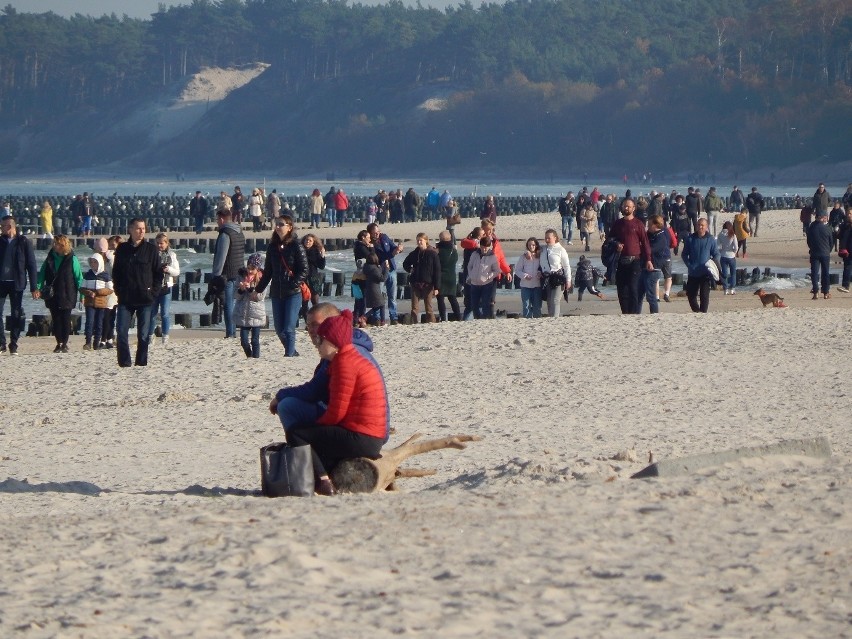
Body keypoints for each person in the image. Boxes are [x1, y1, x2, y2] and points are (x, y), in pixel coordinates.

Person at [286, 310, 388, 496]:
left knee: (297, 434)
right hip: (368, 433)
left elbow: (337, 411)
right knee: (313, 436)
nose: (316, 345)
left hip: (364, 437)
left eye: (320, 340)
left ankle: (323, 482)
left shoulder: (345, 364)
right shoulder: (347, 358)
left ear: (333, 342)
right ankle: (323, 475)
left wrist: (315, 427)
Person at [269, 303, 390, 443]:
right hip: (365, 424)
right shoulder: (345, 348)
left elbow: (315, 392)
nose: (311, 330)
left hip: (362, 428)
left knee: (288, 406)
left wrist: (280, 396)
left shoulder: (345, 355)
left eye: (315, 324)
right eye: (308, 325)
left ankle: (303, 456)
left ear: (333, 323)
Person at [254, 215, 308, 356]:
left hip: (293, 293)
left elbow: (304, 269)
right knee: (279, 329)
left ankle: (288, 355)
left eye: (281, 224)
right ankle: (293, 352)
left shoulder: (296, 245)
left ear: (289, 227)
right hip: (277, 293)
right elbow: (268, 273)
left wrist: (293, 283)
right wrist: (257, 290)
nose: (277, 227)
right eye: (276, 224)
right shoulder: (272, 247)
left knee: (289, 328)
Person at [112, 219, 161, 366]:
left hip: (145, 298)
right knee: (121, 332)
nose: (141, 231)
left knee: (144, 335)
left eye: (143, 229)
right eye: (138, 228)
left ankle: (141, 362)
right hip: (125, 298)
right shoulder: (122, 249)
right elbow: (116, 272)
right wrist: (118, 289)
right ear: (131, 230)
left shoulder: (151, 249)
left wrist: (153, 292)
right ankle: (125, 363)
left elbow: (158, 273)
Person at [0, 215, 39, 355]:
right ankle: (1, 343)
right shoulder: (1, 241)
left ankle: (14, 343)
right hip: (1, 283)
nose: (1, 228)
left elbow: (31, 265)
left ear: (10, 227)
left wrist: (34, 287)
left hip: (17, 283)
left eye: (2, 226)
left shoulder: (23, 242)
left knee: (16, 313)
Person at [38, 235, 83, 353]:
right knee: (56, 319)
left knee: (65, 318)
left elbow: (79, 278)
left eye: (56, 243)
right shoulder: (50, 257)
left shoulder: (72, 259)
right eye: (54, 243)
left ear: (63, 245)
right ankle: (59, 343)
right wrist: (38, 288)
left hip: (68, 293)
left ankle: (65, 343)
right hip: (53, 294)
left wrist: (82, 295)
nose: (54, 245)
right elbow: (42, 274)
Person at [608, 198, 653, 314]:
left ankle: (634, 314)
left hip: (635, 261)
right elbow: (609, 240)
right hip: (620, 261)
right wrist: (616, 244)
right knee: (622, 290)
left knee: (633, 288)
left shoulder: (638, 224)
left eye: (628, 206)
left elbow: (645, 242)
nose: (626, 208)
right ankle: (625, 313)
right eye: (624, 206)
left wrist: (648, 259)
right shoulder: (618, 223)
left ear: (634, 208)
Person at [210, 208, 246, 339]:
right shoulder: (239, 232)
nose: (217, 223)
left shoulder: (225, 234)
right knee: (232, 303)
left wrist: (216, 275)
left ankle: (230, 333)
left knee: (228, 304)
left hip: (227, 273)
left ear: (221, 219)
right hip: (239, 271)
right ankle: (232, 332)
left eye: (217, 220)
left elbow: (221, 256)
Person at [148, 232, 180, 346]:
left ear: (167, 243)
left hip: (166, 287)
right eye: (157, 243)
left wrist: (168, 269)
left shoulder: (172, 255)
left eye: (161, 243)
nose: (159, 245)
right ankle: (150, 336)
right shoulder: (152, 254)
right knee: (152, 313)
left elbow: (177, 271)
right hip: (154, 287)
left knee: (165, 314)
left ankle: (165, 336)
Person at [681, 218, 720, 313]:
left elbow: (716, 254)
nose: (700, 227)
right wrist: (689, 265)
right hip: (693, 272)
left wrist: (713, 263)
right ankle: (697, 312)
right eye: (699, 225)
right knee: (691, 295)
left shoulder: (710, 239)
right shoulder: (690, 239)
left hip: (706, 272)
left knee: (704, 295)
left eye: (702, 225)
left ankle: (703, 313)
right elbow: (684, 254)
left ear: (706, 227)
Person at [367, 223, 403, 324]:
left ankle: (393, 317)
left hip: (391, 269)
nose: (377, 234)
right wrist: (392, 253)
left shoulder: (384, 237)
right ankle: (377, 318)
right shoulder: (370, 245)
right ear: (370, 234)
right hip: (379, 271)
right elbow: (378, 257)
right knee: (378, 296)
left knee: (392, 296)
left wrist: (398, 249)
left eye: (378, 232)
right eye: (375, 233)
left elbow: (392, 247)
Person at [403, 232, 441, 324]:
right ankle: (414, 324)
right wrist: (410, 269)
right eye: (418, 240)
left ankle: (432, 324)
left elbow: (437, 271)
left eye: (421, 240)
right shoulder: (414, 253)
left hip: (428, 284)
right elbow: (405, 264)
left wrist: (437, 287)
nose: (419, 242)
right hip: (415, 283)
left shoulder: (433, 254)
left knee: (429, 308)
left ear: (426, 241)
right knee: (414, 308)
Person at [234, 252, 267, 358]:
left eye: (252, 268)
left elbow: (259, 297)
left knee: (255, 340)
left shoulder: (262, 279)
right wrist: (241, 290)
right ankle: (250, 356)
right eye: (248, 268)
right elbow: (236, 296)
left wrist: (250, 289)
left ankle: (256, 358)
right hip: (244, 314)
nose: (249, 271)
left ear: (258, 269)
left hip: (256, 313)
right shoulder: (241, 277)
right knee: (243, 341)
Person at [80, 253, 113, 350]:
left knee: (99, 323)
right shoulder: (88, 274)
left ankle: (96, 342)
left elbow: (110, 289)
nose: (93, 264)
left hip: (101, 303)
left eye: (95, 262)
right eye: (92, 262)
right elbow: (81, 288)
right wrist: (88, 292)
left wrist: (99, 292)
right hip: (89, 302)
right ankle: (88, 342)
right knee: (89, 322)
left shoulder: (105, 275)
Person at [539, 229, 572, 318]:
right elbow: (531, 247)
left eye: (549, 238)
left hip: (558, 278)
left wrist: (568, 280)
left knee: (555, 300)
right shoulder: (543, 249)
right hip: (547, 278)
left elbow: (566, 266)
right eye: (545, 238)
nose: (546, 240)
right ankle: (551, 317)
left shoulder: (561, 249)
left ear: (555, 238)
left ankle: (555, 318)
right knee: (549, 300)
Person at [465, 236, 500, 319]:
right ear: (480, 246)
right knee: (474, 306)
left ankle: (485, 320)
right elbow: (469, 266)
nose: (484, 249)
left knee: (485, 305)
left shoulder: (493, 256)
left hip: (486, 284)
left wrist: (488, 277)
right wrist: (471, 275)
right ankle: (477, 319)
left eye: (486, 247)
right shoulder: (474, 254)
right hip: (474, 284)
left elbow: (497, 270)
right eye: (483, 247)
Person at [94, 237, 118, 348]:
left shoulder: (110, 258)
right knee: (108, 315)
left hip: (110, 290)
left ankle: (105, 339)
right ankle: (108, 338)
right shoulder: (102, 258)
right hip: (104, 289)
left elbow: (114, 273)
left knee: (108, 315)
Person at [643, 215, 670, 312]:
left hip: (655, 268)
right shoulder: (650, 234)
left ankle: (654, 313)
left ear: (655, 225)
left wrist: (643, 250)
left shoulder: (661, 237)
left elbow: (651, 250)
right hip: (647, 267)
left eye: (650, 225)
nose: (648, 226)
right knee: (644, 293)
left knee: (651, 295)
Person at [807, 211, 833, 300]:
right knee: (825, 273)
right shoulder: (827, 228)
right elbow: (831, 242)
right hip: (825, 253)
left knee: (814, 273)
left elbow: (809, 241)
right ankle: (825, 292)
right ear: (822, 218)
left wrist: (812, 248)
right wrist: (828, 250)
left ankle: (815, 292)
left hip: (814, 253)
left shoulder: (811, 228)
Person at [435, 230, 461, 322]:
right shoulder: (454, 251)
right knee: (453, 298)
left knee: (440, 299)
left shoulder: (438, 251)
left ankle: (443, 318)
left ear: (441, 240)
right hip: (451, 277)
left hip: (441, 277)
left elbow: (436, 263)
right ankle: (458, 317)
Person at [515, 237, 542, 318]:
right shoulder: (523, 257)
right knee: (526, 306)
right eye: (529, 245)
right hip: (525, 286)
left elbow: (544, 268)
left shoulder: (540, 256)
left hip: (537, 285)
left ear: (536, 245)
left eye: (533, 245)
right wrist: (525, 276)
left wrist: (540, 273)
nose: (531, 246)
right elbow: (517, 270)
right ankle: (527, 323)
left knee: (537, 307)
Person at [301, 234, 326, 322]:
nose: (307, 242)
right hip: (303, 278)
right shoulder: (300, 251)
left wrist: (322, 255)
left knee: (315, 301)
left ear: (313, 242)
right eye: (306, 240)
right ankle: (307, 322)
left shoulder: (315, 251)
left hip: (314, 277)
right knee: (304, 301)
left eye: (310, 240)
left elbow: (321, 266)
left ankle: (316, 320)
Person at [362, 253, 388, 326]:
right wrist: (386, 269)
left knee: (376, 306)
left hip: (369, 289)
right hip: (374, 289)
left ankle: (365, 317)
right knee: (382, 304)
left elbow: (377, 274)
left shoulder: (366, 267)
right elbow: (382, 278)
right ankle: (382, 321)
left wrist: (381, 267)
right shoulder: (374, 269)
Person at [717, 221, 738, 295]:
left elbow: (718, 246)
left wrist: (721, 251)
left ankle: (725, 289)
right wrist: (734, 252)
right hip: (731, 256)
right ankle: (732, 289)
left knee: (724, 274)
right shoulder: (732, 234)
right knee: (733, 273)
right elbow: (736, 247)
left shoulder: (720, 234)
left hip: (723, 255)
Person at [836, 206, 852, 293]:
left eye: (850, 214)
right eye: (848, 214)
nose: (849, 215)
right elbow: (839, 236)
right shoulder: (844, 225)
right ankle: (845, 286)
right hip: (847, 251)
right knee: (847, 268)